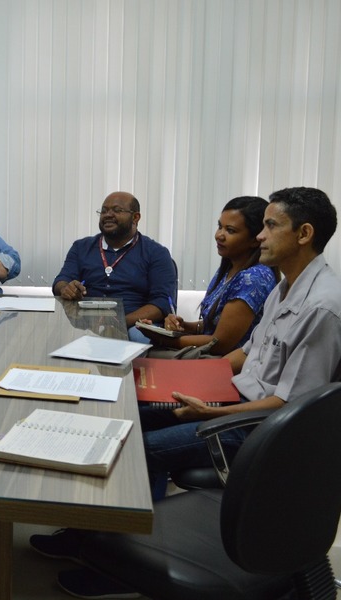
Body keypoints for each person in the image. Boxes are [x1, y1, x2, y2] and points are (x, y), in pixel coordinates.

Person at [34, 187, 341, 599]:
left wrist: (209, 413)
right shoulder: (284, 287)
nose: (260, 236)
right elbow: (244, 354)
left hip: (251, 423)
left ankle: (114, 561)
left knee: (132, 449)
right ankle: (88, 535)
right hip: (229, 396)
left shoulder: (321, 305)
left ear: (304, 234)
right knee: (120, 410)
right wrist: (177, 377)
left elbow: (290, 409)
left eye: (270, 226)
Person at [140, 196, 278, 356]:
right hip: (209, 354)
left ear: (255, 240)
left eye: (230, 230)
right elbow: (214, 325)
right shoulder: (229, 269)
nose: (219, 235)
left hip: (225, 363)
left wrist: (163, 339)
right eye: (220, 227)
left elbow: (220, 343)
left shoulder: (253, 279)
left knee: (145, 356)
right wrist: (185, 326)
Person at [52, 191, 177, 343]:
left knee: (140, 339)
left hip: (133, 324)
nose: (108, 215)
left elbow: (161, 302)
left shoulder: (156, 253)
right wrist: (66, 288)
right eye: (104, 211)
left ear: (135, 217)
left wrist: (121, 322)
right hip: (87, 323)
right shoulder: (81, 247)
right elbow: (61, 280)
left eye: (117, 210)